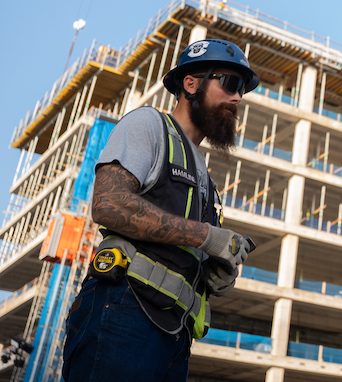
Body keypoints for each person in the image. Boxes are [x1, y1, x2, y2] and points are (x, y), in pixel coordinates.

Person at [63, 38, 261, 381]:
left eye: (241, 89)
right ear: (191, 84)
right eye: (230, 83)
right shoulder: (149, 125)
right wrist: (208, 236)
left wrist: (214, 273)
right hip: (124, 314)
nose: (237, 97)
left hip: (174, 336)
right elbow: (109, 204)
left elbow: (183, 249)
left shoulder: (207, 181)